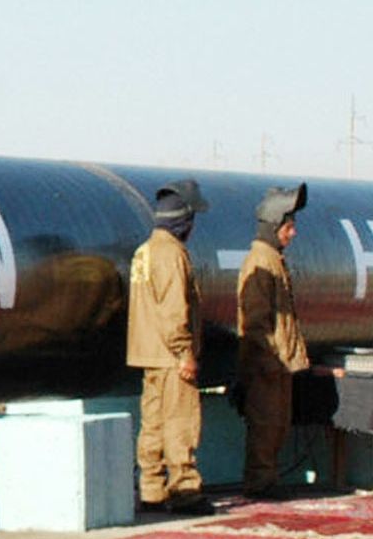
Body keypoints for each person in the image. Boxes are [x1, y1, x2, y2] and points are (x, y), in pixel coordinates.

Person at [235, 183, 339, 497]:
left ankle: (266, 480)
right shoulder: (261, 263)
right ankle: (259, 483)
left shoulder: (272, 260)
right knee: (265, 425)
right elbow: (255, 322)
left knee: (276, 425)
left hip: (277, 365)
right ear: (275, 226)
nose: (292, 234)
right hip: (267, 364)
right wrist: (268, 361)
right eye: (289, 227)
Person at [126, 180, 211, 514]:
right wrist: (185, 352)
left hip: (150, 356)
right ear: (184, 219)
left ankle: (152, 490)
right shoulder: (172, 254)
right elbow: (175, 310)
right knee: (181, 423)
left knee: (153, 425)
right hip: (171, 357)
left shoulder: (145, 251)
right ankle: (185, 491)